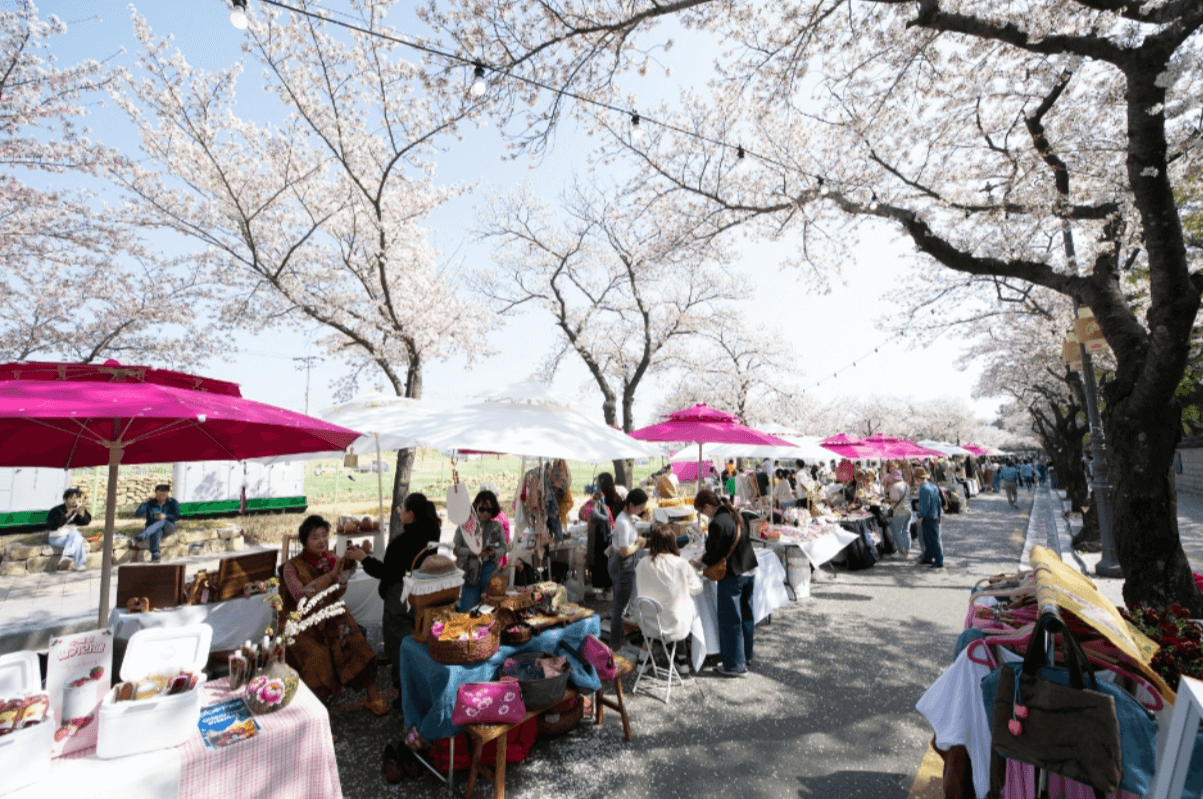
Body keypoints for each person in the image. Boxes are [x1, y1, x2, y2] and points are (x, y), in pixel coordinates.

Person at [282, 515, 388, 715]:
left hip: (330, 615)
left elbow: (337, 592)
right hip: (303, 625)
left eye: (324, 535)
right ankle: (316, 717)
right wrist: (332, 574)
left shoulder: (329, 560)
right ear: (304, 541)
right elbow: (301, 596)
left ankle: (371, 696)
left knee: (357, 644)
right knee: (318, 659)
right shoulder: (291, 567)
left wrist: (345, 573)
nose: (321, 541)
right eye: (315, 537)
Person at [355, 492, 441, 693]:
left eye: (403, 508)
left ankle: (405, 690)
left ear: (411, 513)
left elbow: (387, 572)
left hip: (401, 595)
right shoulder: (433, 531)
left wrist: (363, 558)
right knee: (418, 636)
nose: (400, 512)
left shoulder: (403, 541)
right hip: (424, 592)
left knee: (398, 642)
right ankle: (418, 681)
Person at [692, 488, 757, 677]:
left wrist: (700, 562)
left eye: (703, 511)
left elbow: (713, 554)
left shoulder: (718, 523)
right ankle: (746, 655)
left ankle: (735, 665)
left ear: (707, 506)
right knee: (746, 616)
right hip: (749, 569)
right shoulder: (735, 514)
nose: (704, 515)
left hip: (733, 574)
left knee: (730, 620)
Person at [634, 523, 703, 651]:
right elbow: (697, 589)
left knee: (671, 605)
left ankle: (646, 657)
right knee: (683, 606)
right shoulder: (681, 564)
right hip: (675, 624)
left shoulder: (641, 564)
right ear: (673, 542)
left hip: (648, 623)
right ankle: (682, 658)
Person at [453, 490, 508, 611]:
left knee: (489, 611)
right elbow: (456, 548)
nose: (485, 514)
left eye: (489, 510)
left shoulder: (496, 526)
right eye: (482, 509)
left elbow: (504, 547)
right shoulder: (465, 525)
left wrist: (494, 552)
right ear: (475, 507)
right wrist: (472, 552)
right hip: (470, 571)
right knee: (468, 611)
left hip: (489, 571)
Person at [608, 488, 649, 653]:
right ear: (630, 505)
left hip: (622, 564)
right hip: (623, 564)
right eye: (639, 508)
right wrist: (638, 545)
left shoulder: (626, 518)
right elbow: (624, 551)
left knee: (620, 607)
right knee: (620, 609)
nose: (641, 511)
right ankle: (616, 645)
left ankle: (620, 641)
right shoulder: (623, 522)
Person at [581, 472, 621, 594]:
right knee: (609, 559)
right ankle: (609, 586)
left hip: (600, 534)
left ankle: (604, 587)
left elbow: (587, 514)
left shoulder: (600, 500)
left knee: (600, 560)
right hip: (612, 533)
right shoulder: (617, 498)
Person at [46, 488, 91, 572]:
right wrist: (66, 515)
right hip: (57, 538)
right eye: (72, 498)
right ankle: (80, 564)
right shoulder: (56, 510)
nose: (75, 501)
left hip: (71, 536)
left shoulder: (79, 509)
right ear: (65, 499)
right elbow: (52, 525)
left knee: (76, 535)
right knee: (78, 540)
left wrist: (82, 516)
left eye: (77, 498)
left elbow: (87, 521)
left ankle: (68, 555)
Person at [133, 484, 180, 563]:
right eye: (159, 495)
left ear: (167, 494)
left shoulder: (172, 502)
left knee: (162, 522)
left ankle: (143, 536)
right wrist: (145, 503)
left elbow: (177, 516)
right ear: (156, 493)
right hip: (152, 527)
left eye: (163, 494)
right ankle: (156, 555)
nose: (161, 497)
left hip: (169, 526)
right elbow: (138, 514)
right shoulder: (150, 503)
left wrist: (165, 516)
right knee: (156, 530)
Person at [914, 467, 944, 568]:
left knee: (932, 539)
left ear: (918, 478)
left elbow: (925, 504)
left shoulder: (923, 488)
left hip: (928, 517)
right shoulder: (933, 486)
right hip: (934, 515)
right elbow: (939, 502)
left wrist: (921, 517)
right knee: (930, 538)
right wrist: (939, 515)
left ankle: (939, 560)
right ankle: (928, 557)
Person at [885, 469, 911, 558]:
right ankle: (907, 550)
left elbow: (895, 500)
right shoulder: (906, 484)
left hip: (899, 512)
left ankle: (902, 552)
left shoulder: (894, 486)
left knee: (897, 532)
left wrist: (886, 500)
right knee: (906, 531)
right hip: (908, 510)